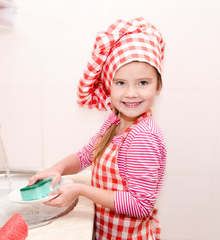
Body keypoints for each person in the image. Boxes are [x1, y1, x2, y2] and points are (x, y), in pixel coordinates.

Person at [29, 17, 167, 240]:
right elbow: (86, 155)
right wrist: (57, 169)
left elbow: (140, 205)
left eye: (143, 83)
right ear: (108, 86)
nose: (132, 93)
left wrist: (81, 190)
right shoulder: (114, 121)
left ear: (158, 85)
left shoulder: (143, 138)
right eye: (121, 83)